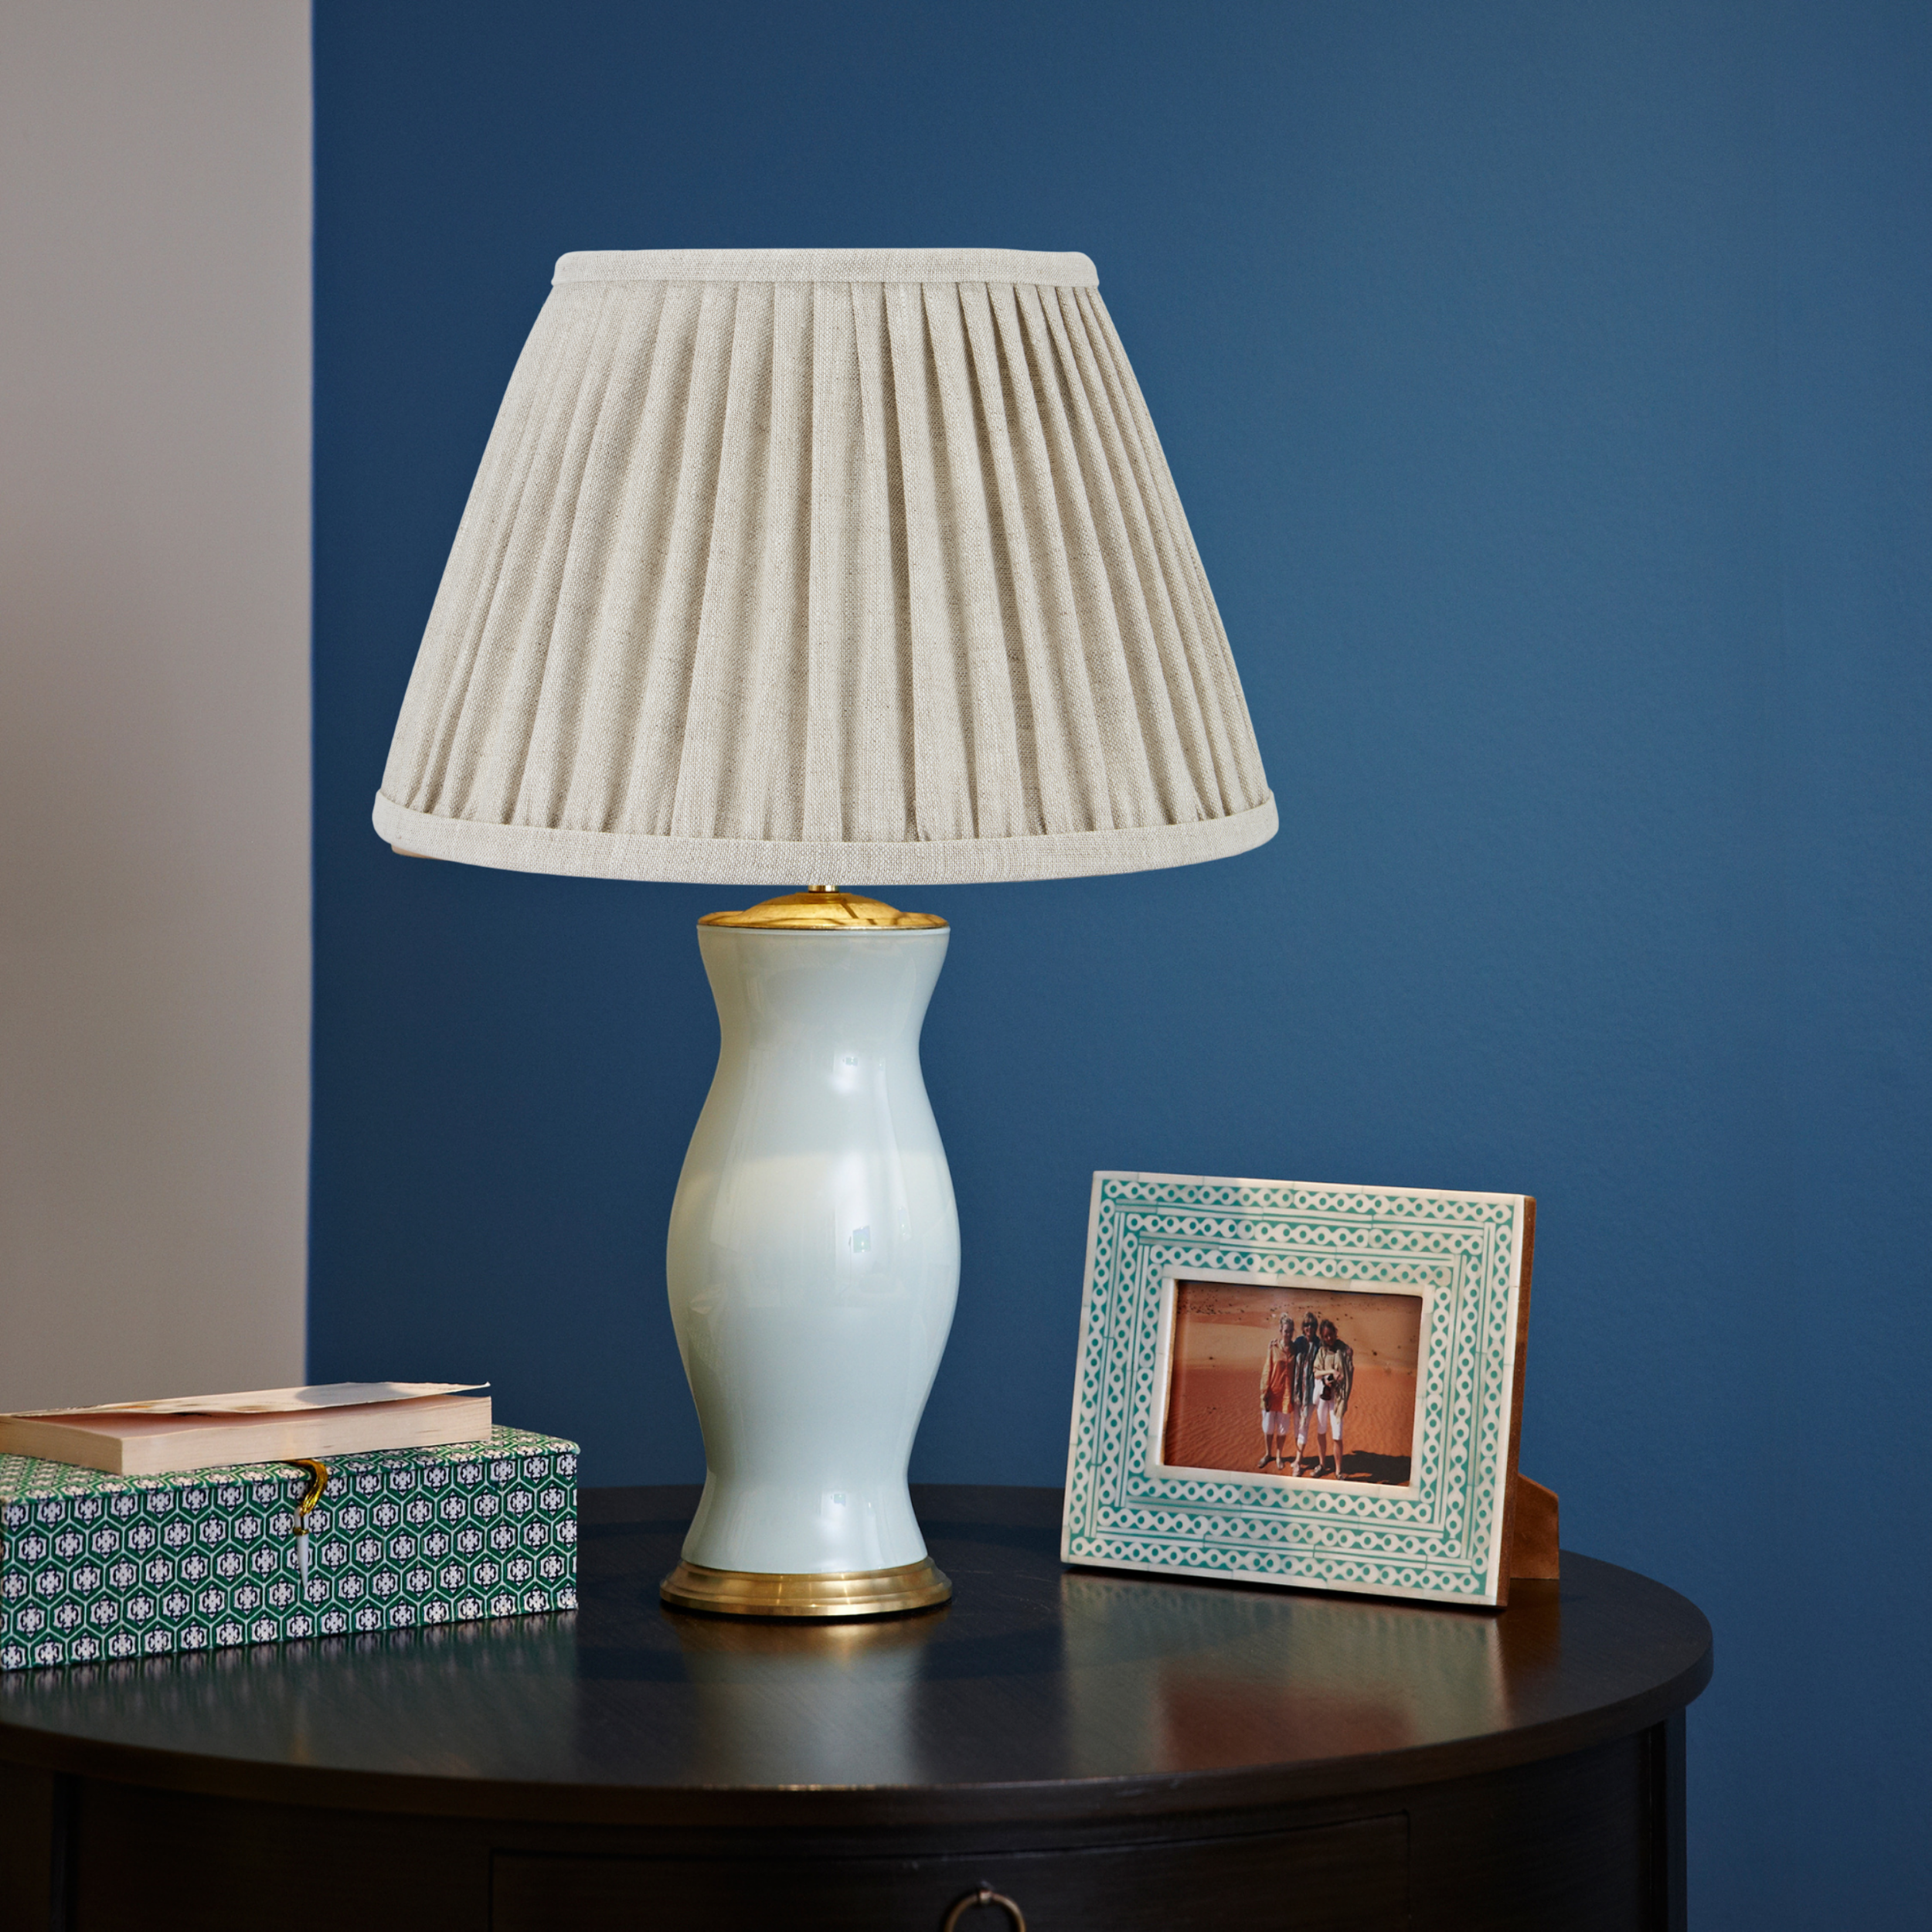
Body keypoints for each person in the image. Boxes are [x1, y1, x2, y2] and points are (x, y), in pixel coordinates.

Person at [1304, 1317, 1354, 1477]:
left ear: (1335, 1332)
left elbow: (1349, 1369)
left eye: (1331, 1334)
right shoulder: (1322, 1352)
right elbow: (1316, 1372)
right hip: (1323, 1396)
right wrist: (1331, 1373)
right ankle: (1322, 1465)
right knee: (1321, 1430)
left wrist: (1350, 1357)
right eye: (1326, 1336)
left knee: (1337, 1434)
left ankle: (1339, 1471)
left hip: (1338, 1398)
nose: (1329, 1338)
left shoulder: (1343, 1349)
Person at [1257, 1313, 1295, 1468]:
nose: (1288, 1334)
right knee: (1268, 1427)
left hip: (1287, 1396)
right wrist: (1264, 1391)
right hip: (1272, 1393)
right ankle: (1268, 1454)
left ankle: (1279, 1456)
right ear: (1281, 1330)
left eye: (1291, 1331)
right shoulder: (1273, 1348)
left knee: (1282, 1429)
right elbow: (1267, 1370)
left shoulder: (1295, 1349)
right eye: (1286, 1331)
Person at [1287, 1311, 1320, 1475]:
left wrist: (1347, 1349)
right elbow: (1285, 1346)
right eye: (1307, 1325)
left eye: (1312, 1325)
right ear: (1303, 1327)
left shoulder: (1319, 1345)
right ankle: (1297, 1457)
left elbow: (1335, 1346)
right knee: (1296, 1426)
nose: (1309, 1328)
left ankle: (1299, 1462)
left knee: (1304, 1426)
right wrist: (1274, 1343)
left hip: (1310, 1395)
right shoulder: (1299, 1342)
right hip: (1297, 1393)